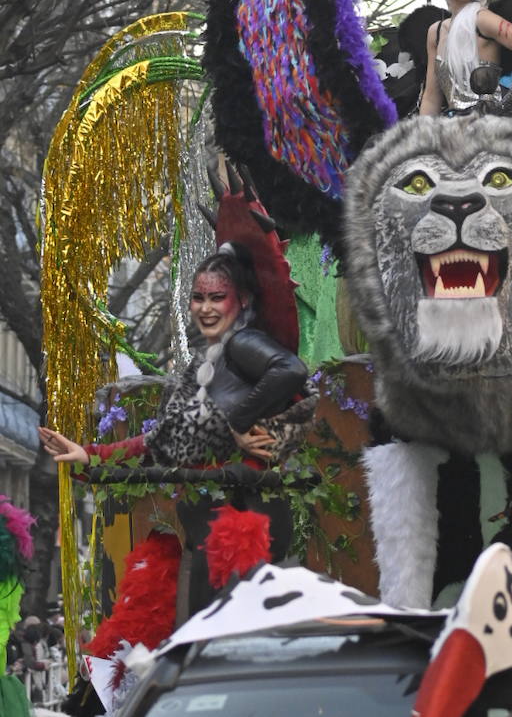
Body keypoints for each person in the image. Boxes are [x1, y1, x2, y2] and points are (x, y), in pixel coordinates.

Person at [40, 243, 312, 613]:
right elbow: (159, 441)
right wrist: (87, 454)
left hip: (240, 530)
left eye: (218, 297)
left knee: (223, 643)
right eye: (198, 298)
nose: (206, 308)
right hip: (207, 529)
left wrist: (239, 421)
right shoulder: (204, 367)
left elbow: (291, 370)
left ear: (243, 300)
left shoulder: (242, 344)